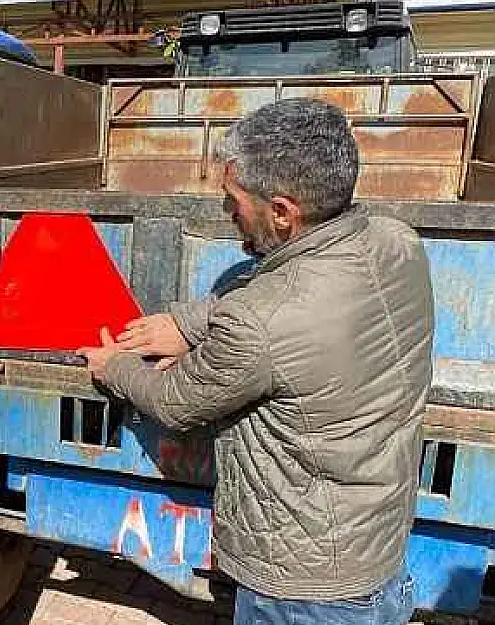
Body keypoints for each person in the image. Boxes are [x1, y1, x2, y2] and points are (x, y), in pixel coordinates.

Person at [78, 98, 433, 625]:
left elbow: (176, 402)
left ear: (283, 212)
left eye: (233, 201)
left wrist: (113, 367)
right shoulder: (395, 242)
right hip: (376, 555)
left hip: (302, 589)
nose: (228, 214)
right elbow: (294, 299)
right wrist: (187, 324)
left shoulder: (263, 322)